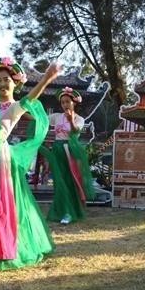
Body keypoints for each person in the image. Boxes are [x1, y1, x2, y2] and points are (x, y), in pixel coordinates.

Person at [0, 31, 59, 270]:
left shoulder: (15, 107)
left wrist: (47, 78)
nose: (1, 83)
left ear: (14, 82)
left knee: (0, 203)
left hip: (0, 158)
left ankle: (4, 249)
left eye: (6, 79)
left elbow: (32, 96)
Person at [44, 87, 95, 224]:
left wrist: (71, 120)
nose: (65, 105)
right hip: (57, 149)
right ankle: (61, 210)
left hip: (70, 150)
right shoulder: (56, 117)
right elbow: (41, 119)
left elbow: (75, 131)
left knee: (70, 180)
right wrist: (23, 110)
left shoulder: (79, 119)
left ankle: (70, 212)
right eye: (63, 102)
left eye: (67, 101)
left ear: (74, 103)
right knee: (59, 181)